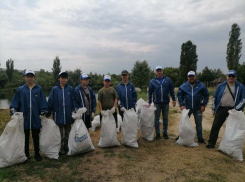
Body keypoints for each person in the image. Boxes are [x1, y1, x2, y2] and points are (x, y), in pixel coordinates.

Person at [10, 70, 48, 161]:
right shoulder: (21, 90)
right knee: (25, 137)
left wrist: (43, 112)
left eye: (31, 76)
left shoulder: (39, 89)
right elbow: (15, 102)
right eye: (28, 76)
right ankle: (26, 154)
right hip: (24, 118)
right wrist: (13, 111)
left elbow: (43, 102)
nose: (30, 78)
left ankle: (37, 154)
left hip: (35, 117)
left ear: (34, 78)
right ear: (24, 77)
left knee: (36, 136)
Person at [206, 70, 245, 148]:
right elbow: (215, 97)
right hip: (221, 109)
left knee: (233, 128)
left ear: (236, 77)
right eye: (229, 76)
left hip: (233, 110)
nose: (231, 77)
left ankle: (232, 146)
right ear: (226, 77)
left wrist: (236, 109)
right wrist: (214, 109)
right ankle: (211, 143)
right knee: (215, 126)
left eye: (233, 76)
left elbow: (243, 99)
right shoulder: (220, 86)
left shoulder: (240, 87)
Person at [47, 72, 77, 155]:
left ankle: (67, 147)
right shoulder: (54, 89)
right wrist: (48, 111)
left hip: (68, 116)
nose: (63, 79)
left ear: (67, 79)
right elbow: (50, 101)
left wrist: (75, 110)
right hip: (58, 116)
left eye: (65, 78)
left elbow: (73, 100)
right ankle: (60, 148)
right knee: (59, 134)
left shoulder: (70, 89)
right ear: (58, 78)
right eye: (62, 77)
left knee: (68, 133)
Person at [177, 71, 209, 144]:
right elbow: (179, 95)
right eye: (189, 76)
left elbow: (206, 95)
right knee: (183, 123)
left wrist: (203, 104)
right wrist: (181, 104)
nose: (191, 78)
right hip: (187, 108)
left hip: (198, 108)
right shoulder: (183, 86)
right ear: (187, 77)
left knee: (198, 124)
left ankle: (200, 138)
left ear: (195, 77)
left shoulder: (201, 85)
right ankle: (180, 136)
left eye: (192, 76)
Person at [148, 65, 176, 140]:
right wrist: (149, 101)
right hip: (157, 102)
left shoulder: (168, 80)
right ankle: (157, 133)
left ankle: (164, 132)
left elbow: (172, 90)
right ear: (155, 72)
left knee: (165, 118)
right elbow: (150, 92)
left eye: (160, 70)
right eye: (158, 71)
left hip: (165, 102)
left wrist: (174, 99)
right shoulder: (152, 81)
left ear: (162, 71)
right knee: (156, 118)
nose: (159, 72)